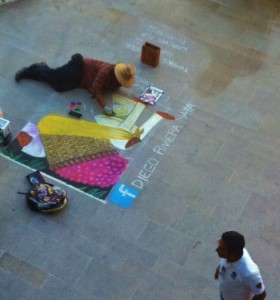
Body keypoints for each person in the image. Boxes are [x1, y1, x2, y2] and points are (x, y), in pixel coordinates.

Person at [15, 53, 136, 116]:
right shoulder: (106, 71)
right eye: (121, 80)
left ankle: (43, 67)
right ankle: (27, 72)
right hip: (80, 67)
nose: (121, 83)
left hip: (81, 81)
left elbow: (104, 88)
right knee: (54, 75)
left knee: (58, 87)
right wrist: (104, 107)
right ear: (117, 73)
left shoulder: (118, 83)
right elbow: (96, 89)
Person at [215, 231, 266, 300]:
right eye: (219, 245)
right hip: (225, 294)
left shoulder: (249, 273)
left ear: (233, 254)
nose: (217, 249)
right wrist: (218, 269)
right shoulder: (230, 253)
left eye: (221, 249)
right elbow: (224, 261)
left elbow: (261, 294)